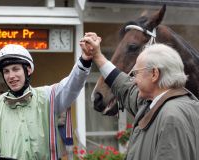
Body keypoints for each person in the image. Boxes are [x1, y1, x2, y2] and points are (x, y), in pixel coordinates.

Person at [80, 32, 199, 160]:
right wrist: (97, 56)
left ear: (154, 74)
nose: (134, 80)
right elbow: (125, 87)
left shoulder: (171, 117)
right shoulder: (156, 105)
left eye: (136, 73)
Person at [0, 44, 92, 160]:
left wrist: (84, 60)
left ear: (28, 70)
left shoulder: (48, 96)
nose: (11, 76)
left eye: (15, 69)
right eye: (6, 71)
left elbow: (71, 85)